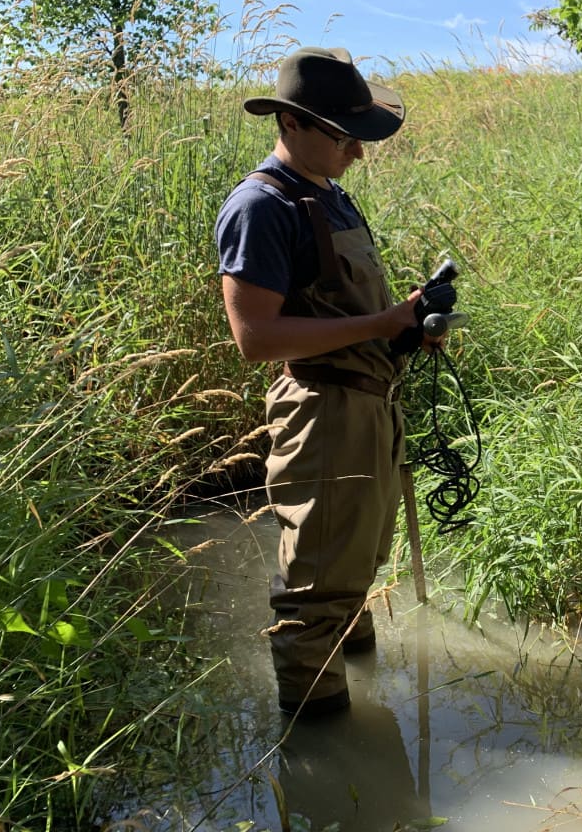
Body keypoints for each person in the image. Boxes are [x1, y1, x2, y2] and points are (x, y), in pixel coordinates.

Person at [215, 45, 424, 717]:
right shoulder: (260, 208)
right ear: (292, 124)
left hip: (368, 411)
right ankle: (322, 765)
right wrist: (379, 325)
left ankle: (356, 687)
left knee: (354, 564)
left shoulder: (331, 197)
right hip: (323, 418)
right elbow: (256, 338)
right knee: (315, 593)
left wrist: (408, 326)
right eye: (344, 137)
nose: (357, 153)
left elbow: (347, 310)